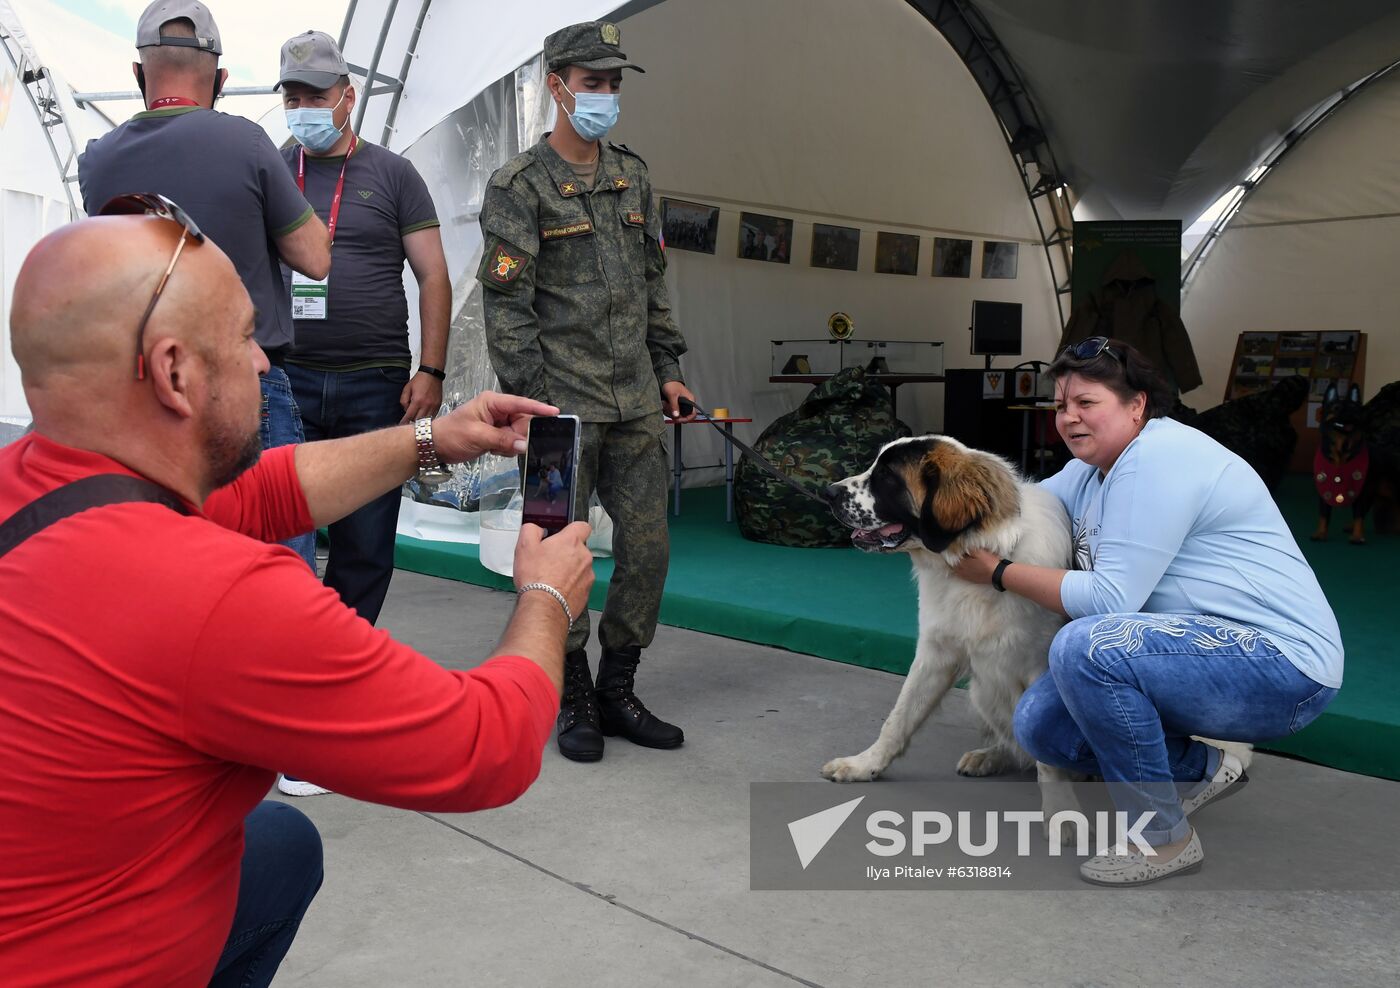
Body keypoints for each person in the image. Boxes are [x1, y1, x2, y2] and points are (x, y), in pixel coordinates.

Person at [0, 206, 593, 986]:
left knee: (279, 845)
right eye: (247, 338)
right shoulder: (215, 596)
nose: (263, 365)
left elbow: (266, 490)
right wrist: (547, 595)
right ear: (175, 372)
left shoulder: (40, 483)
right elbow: (483, 747)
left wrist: (433, 439)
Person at [952, 336, 1343, 887]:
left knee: (1086, 645)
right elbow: (1019, 502)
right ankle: (1211, 768)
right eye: (1061, 405)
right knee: (1041, 725)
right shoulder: (1089, 474)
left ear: (1136, 404)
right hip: (1192, 657)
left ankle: (1164, 837)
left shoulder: (1161, 456)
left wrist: (997, 572)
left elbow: (1113, 602)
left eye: (1087, 403)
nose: (1069, 418)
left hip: (1283, 667)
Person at [477, 21, 696, 763]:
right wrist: (536, 403)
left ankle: (618, 687)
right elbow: (507, 308)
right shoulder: (519, 186)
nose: (603, 96)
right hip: (557, 412)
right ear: (557, 84)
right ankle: (569, 691)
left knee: (649, 549)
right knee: (554, 549)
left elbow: (652, 283)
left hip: (635, 403)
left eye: (612, 84)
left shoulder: (633, 176)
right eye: (591, 82)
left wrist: (667, 367)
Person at [79, 0, 331, 570]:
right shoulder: (245, 142)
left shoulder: (96, 161)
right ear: (220, 79)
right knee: (274, 560)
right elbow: (316, 258)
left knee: (174, 564)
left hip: (147, 394)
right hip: (246, 385)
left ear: (138, 74)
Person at [276, 30, 452, 624]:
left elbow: (434, 275)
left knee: (367, 543)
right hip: (286, 382)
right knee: (281, 535)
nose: (304, 110)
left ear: (347, 96)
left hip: (375, 385)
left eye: (315, 96)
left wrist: (431, 370)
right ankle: (286, 658)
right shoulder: (273, 168)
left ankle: (341, 668)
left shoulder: (394, 174)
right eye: (292, 97)